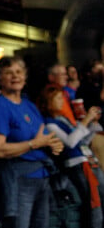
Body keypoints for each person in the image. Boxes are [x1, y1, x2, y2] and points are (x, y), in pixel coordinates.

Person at [0, 57, 64, 228]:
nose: (15, 76)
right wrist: (33, 144)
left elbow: (45, 137)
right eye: (9, 73)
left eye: (19, 72)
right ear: (0, 78)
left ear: (25, 77)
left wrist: (54, 144)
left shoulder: (29, 105)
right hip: (18, 180)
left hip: (42, 177)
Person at [38, 84, 104, 228]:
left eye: (62, 98)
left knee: (100, 198)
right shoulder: (50, 124)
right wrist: (85, 120)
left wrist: (92, 125)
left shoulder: (63, 119)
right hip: (76, 165)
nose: (62, 101)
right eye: (58, 98)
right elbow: (70, 142)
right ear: (48, 102)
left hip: (88, 160)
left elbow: (81, 141)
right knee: (93, 203)